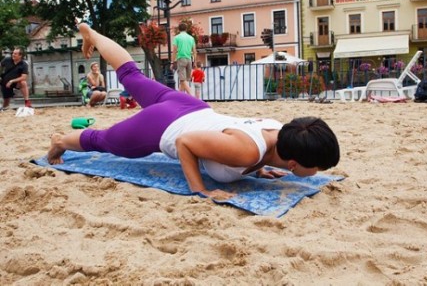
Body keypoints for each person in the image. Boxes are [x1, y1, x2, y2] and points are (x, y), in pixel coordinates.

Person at [48, 23, 340, 200]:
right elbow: (184, 143)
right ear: (292, 164)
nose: (317, 173)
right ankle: (60, 141)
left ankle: (94, 35)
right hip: (163, 126)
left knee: (131, 76)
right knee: (105, 141)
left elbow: (252, 142)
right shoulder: (246, 153)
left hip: (192, 107)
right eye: (317, 168)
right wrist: (200, 189)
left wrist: (259, 167)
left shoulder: (279, 130)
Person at [172, 22, 196, 95]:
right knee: (185, 80)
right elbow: (194, 51)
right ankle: (179, 97)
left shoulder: (176, 38)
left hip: (181, 58)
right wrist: (194, 62)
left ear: (179, 29)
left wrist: (173, 62)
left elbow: (175, 50)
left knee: (182, 80)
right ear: (186, 29)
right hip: (189, 59)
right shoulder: (191, 38)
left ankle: (192, 96)